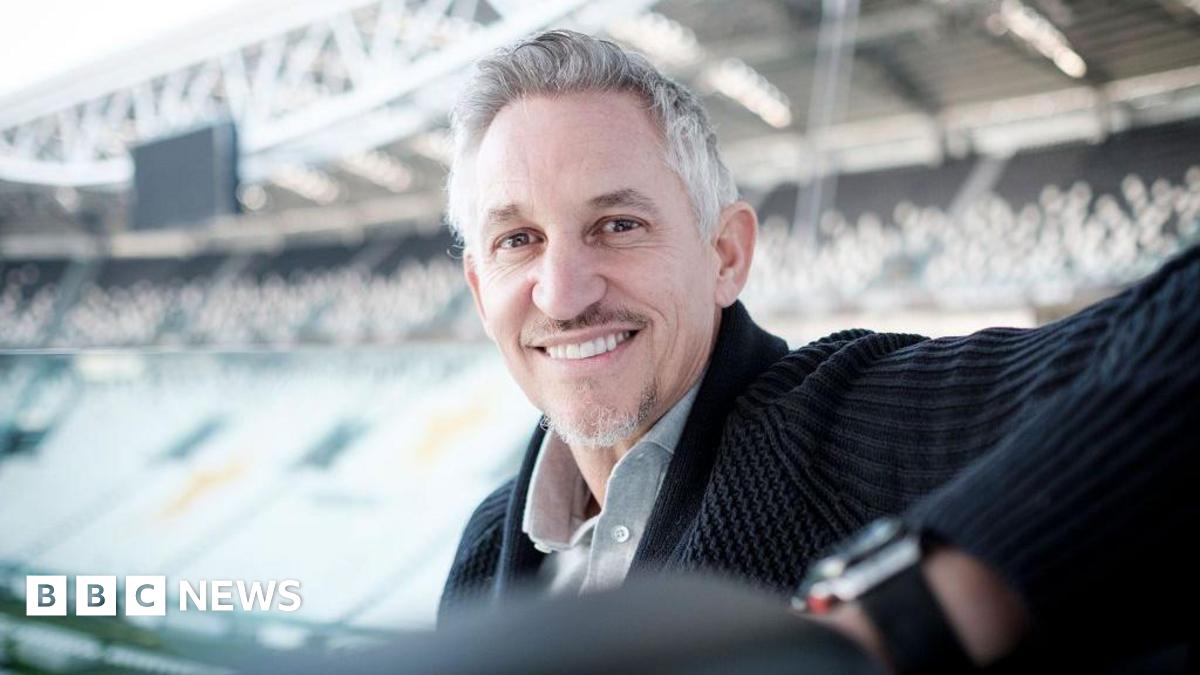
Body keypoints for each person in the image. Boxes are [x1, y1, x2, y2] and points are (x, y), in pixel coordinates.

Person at [438, 29, 1199, 673]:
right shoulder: (486, 545)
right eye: (519, 240)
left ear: (726, 254)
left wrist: (904, 617)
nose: (563, 293)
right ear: (480, 289)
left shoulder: (851, 419)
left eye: (618, 225)